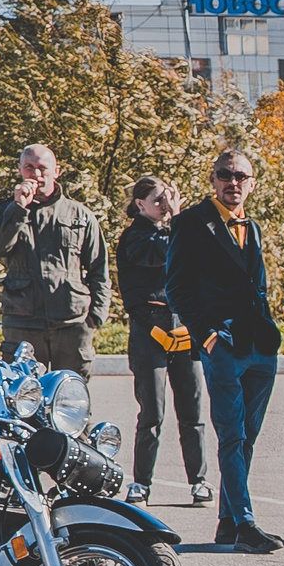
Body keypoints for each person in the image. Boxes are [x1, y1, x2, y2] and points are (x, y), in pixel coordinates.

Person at [167, 149, 284, 555]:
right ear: (213, 180)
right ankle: (247, 524)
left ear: (252, 183)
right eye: (224, 175)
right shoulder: (190, 224)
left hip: (260, 347)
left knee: (247, 438)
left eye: (240, 177)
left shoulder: (252, 226)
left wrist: (270, 334)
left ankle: (227, 522)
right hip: (223, 348)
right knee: (232, 436)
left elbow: (258, 288)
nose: (232, 183)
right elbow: (176, 288)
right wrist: (207, 336)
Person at [112, 178, 213, 507]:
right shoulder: (135, 237)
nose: (164, 204)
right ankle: (141, 484)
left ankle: (199, 480)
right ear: (140, 204)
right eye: (158, 199)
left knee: (192, 412)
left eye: (168, 198)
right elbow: (163, 253)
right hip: (148, 330)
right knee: (152, 413)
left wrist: (179, 218)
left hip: (183, 327)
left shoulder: (175, 231)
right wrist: (178, 216)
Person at [0, 143, 108, 376]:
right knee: (22, 399)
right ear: (20, 170)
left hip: (72, 323)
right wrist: (18, 207)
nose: (36, 175)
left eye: (42, 168)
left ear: (56, 171)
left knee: (70, 401)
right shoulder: (5, 210)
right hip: (23, 324)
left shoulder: (80, 215)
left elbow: (99, 268)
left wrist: (95, 317)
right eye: (29, 167)